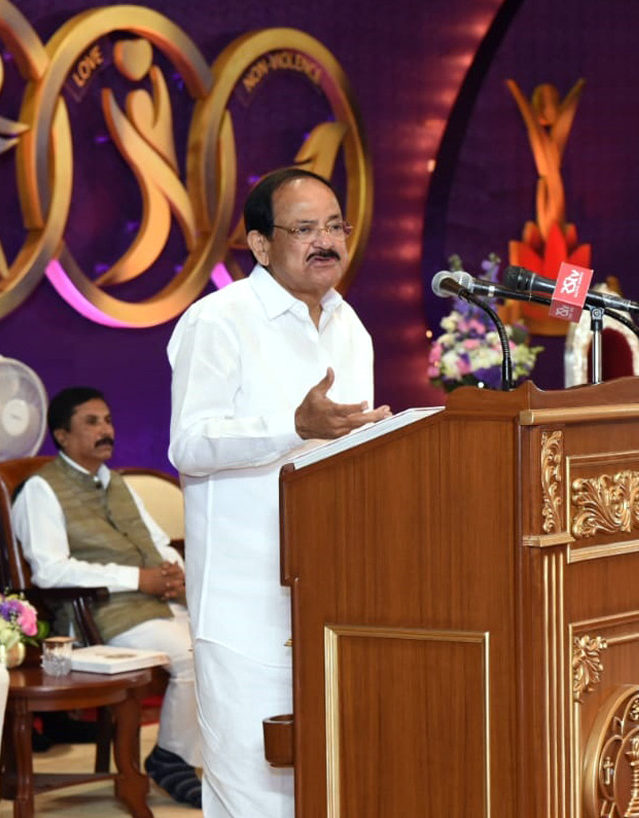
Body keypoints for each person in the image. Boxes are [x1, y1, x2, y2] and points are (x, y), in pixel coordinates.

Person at [167, 168, 391, 817]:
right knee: (253, 794)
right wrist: (289, 427)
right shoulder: (219, 321)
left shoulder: (352, 328)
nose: (324, 242)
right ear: (261, 245)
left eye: (333, 227)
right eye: (303, 229)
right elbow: (189, 445)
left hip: (333, 598)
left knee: (325, 787)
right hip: (245, 608)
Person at [12, 387, 202, 807]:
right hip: (97, 617)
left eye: (108, 420)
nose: (106, 430)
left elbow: (154, 539)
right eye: (92, 422)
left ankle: (191, 757)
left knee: (217, 645)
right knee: (192, 653)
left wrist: (174, 572)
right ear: (61, 435)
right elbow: (50, 570)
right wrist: (139, 579)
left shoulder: (117, 483)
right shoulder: (41, 491)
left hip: (155, 606)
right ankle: (171, 761)